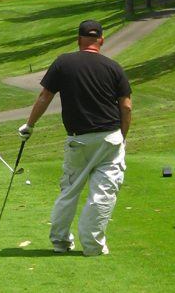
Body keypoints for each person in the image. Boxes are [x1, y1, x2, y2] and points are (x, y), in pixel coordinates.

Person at [17, 20, 131, 256]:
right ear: (101, 39)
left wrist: (30, 125)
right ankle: (92, 246)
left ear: (79, 40)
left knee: (69, 190)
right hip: (109, 139)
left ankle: (60, 241)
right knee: (102, 194)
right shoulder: (114, 67)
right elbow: (126, 107)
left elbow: (44, 97)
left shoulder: (63, 62)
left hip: (77, 140)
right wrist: (122, 137)